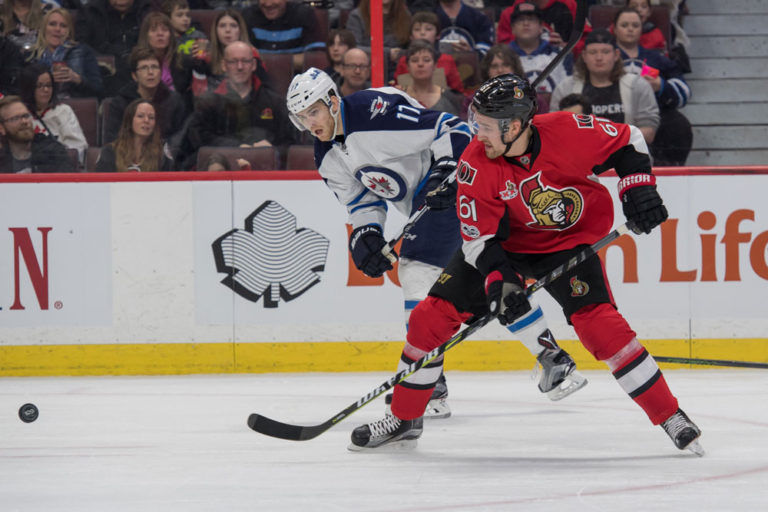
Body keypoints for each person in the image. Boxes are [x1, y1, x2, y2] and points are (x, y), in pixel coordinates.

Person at [349, 74, 703, 457]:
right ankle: (404, 419)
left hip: (566, 244)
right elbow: (479, 242)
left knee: (602, 329)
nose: (476, 133)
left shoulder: (568, 129)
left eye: (484, 126)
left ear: (513, 126)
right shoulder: (473, 163)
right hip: (502, 247)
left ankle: (671, 415)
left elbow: (629, 139)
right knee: (428, 319)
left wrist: (638, 189)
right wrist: (502, 284)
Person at [286, 68, 586, 419]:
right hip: (431, 201)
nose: (310, 123)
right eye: (301, 117)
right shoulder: (326, 156)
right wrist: (366, 235)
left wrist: (446, 167)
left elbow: (451, 128)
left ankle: (427, 383)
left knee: (414, 271)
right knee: (473, 285)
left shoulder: (372, 110)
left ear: (333, 101)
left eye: (314, 112)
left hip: (463, 182)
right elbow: (361, 201)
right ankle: (551, 357)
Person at [182, 41, 296, 168]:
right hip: (220, 170)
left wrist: (273, 150)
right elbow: (197, 139)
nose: (240, 67)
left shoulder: (275, 102)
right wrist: (236, 146)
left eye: (245, 61)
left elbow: (291, 144)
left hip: (264, 171)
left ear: (253, 65)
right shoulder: (208, 102)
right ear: (224, 65)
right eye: (233, 61)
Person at [550, 29, 659, 145]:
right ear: (584, 56)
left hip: (626, 155)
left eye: (605, 52)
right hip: (579, 155)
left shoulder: (638, 85)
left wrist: (611, 143)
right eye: (593, 52)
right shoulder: (565, 88)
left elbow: (649, 132)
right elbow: (554, 128)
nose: (599, 58)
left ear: (616, 55)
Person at [613, 7, 691, 165]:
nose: (630, 29)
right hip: (613, 112)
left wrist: (661, 86)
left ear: (642, 29)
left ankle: (669, 169)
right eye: (625, 25)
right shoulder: (605, 56)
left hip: (653, 114)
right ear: (614, 29)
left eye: (635, 25)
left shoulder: (657, 58)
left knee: (677, 124)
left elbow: (684, 92)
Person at [103, 47, 188, 150]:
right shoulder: (121, 102)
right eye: (144, 68)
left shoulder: (174, 100)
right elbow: (112, 139)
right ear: (134, 76)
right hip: (128, 157)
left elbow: (180, 137)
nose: (150, 72)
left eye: (154, 67)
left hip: (165, 158)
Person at [74, 0, 152, 97]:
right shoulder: (90, 11)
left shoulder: (147, 11)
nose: (121, 2)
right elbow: (81, 45)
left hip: (138, 69)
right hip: (102, 72)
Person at [18, 62, 88, 165]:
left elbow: (77, 147)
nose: (46, 90)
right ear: (29, 88)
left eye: (49, 85)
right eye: (40, 86)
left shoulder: (63, 111)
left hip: (58, 167)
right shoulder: (19, 113)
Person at [26, 8, 104, 99]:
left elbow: (98, 90)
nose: (57, 29)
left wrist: (78, 79)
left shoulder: (83, 52)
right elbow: (20, 89)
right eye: (52, 24)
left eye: (63, 26)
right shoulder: (30, 55)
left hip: (74, 106)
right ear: (44, 28)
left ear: (69, 31)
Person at [507, 2, 572, 95]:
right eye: (521, 20)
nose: (526, 23)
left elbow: (568, 90)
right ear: (513, 28)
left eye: (531, 19)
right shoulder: (503, 56)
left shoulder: (560, 54)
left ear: (541, 27)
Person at [241, 0, 325, 71]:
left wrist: (263, 60)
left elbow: (316, 59)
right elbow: (238, 59)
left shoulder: (305, 15)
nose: (268, 4)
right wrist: (292, 60)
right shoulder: (247, 16)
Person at [0, 95, 76, 173]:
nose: (24, 121)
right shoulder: (2, 159)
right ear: (1, 128)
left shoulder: (53, 151)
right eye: (15, 118)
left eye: (26, 116)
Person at [393, 11, 464, 94]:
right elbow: (398, 90)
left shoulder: (447, 60)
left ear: (438, 35)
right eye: (417, 29)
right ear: (411, 36)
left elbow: (458, 91)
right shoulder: (403, 61)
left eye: (428, 29)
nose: (422, 33)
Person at [95, 98, 174, 172]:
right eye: (140, 116)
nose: (146, 120)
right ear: (129, 121)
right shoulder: (110, 152)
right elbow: (100, 183)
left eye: (151, 117)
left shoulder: (162, 153)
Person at [136, 12, 194, 108]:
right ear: (145, 35)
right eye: (154, 30)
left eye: (165, 30)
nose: (160, 34)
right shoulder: (136, 61)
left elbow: (186, 99)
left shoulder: (183, 62)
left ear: (170, 35)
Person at [346, 0, 411, 81]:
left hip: (397, 69)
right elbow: (354, 47)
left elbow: (411, 48)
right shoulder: (357, 16)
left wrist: (400, 54)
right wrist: (387, 52)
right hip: (367, 70)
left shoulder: (405, 15)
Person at [400, 40, 463, 116]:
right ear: (407, 66)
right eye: (414, 60)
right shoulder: (399, 97)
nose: (420, 64)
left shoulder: (449, 98)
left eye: (426, 60)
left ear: (435, 65)